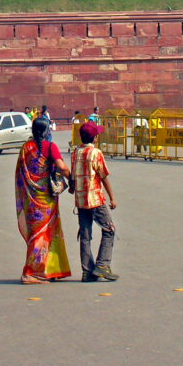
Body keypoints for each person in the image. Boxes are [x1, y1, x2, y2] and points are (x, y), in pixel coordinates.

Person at [14, 117, 71, 284]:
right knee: (43, 235)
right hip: (46, 199)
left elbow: (20, 174)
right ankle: (31, 273)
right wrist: (72, 178)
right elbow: (61, 167)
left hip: (31, 200)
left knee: (41, 234)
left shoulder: (26, 148)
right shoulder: (50, 147)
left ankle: (52, 269)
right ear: (47, 132)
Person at [70, 121, 118, 282]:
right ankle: (103, 264)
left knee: (85, 235)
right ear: (95, 137)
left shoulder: (75, 152)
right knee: (109, 228)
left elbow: (72, 176)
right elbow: (103, 177)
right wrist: (112, 197)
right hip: (95, 198)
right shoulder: (95, 153)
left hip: (81, 199)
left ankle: (87, 270)